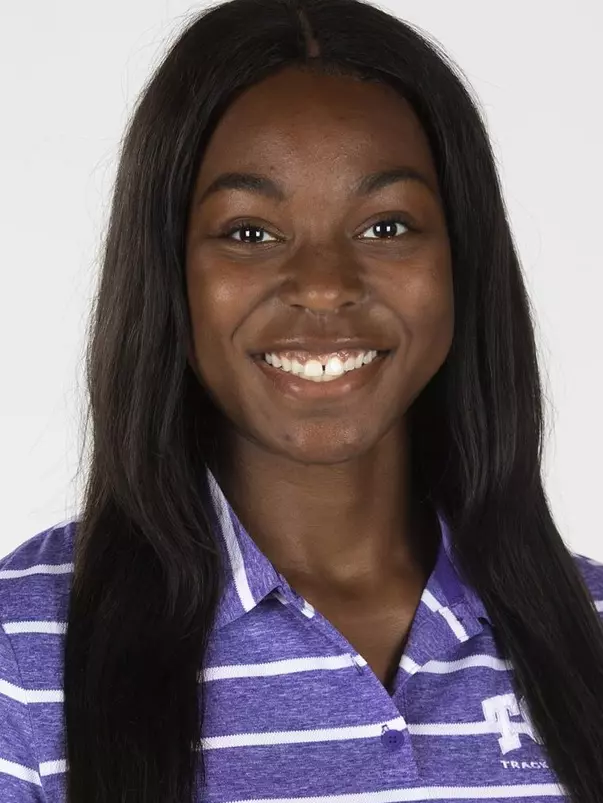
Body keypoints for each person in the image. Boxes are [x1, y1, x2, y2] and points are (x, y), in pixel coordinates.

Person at [1, 0, 602, 801]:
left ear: (462, 264)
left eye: (387, 226)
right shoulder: (22, 655)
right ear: (169, 273)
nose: (324, 284)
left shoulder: (588, 629)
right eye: (249, 232)